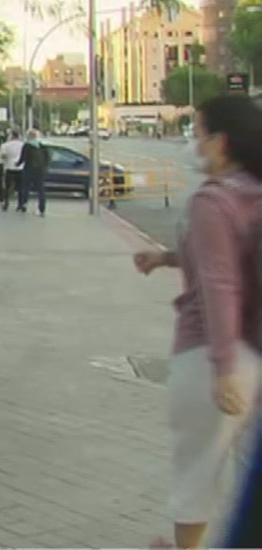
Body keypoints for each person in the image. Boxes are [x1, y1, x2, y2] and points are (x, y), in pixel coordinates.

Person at [132, 94, 262, 549]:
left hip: (211, 353)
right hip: (254, 350)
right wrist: (168, 258)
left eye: (199, 131)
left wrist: (221, 366)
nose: (193, 141)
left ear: (219, 142)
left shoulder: (213, 201)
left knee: (197, 470)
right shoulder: (252, 191)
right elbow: (232, 261)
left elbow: (220, 283)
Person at [17, 129, 49, 216]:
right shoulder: (42, 146)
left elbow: (22, 158)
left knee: (26, 187)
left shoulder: (27, 146)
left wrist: (17, 164)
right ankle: (42, 208)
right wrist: (45, 167)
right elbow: (47, 158)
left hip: (29, 169)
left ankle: (24, 204)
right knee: (41, 189)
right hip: (40, 170)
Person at [1, 129, 25, 212]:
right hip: (20, 168)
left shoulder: (6, 145)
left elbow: (3, 156)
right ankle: (20, 204)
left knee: (7, 187)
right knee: (20, 188)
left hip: (9, 167)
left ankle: (6, 203)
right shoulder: (22, 145)